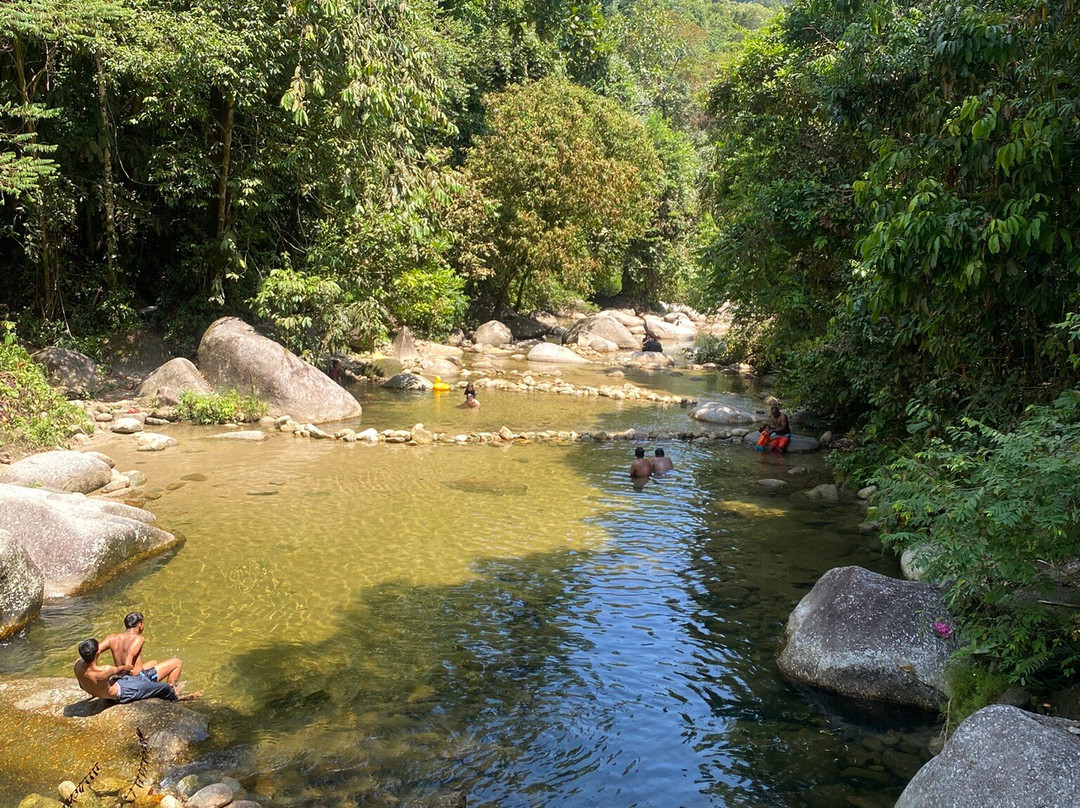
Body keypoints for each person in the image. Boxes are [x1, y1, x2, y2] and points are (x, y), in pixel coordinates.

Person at [74, 638, 179, 704]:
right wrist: (128, 666)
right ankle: (176, 700)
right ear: (97, 654)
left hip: (106, 691)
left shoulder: (77, 664)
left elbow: (82, 685)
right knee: (165, 687)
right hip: (123, 692)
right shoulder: (104, 670)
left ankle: (148, 681)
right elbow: (121, 669)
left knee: (151, 664)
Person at [99, 611, 183, 687]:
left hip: (121, 676)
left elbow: (96, 650)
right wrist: (128, 671)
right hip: (138, 679)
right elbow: (129, 656)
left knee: (153, 662)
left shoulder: (112, 638)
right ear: (140, 625)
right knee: (177, 662)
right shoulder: (138, 639)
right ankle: (171, 690)